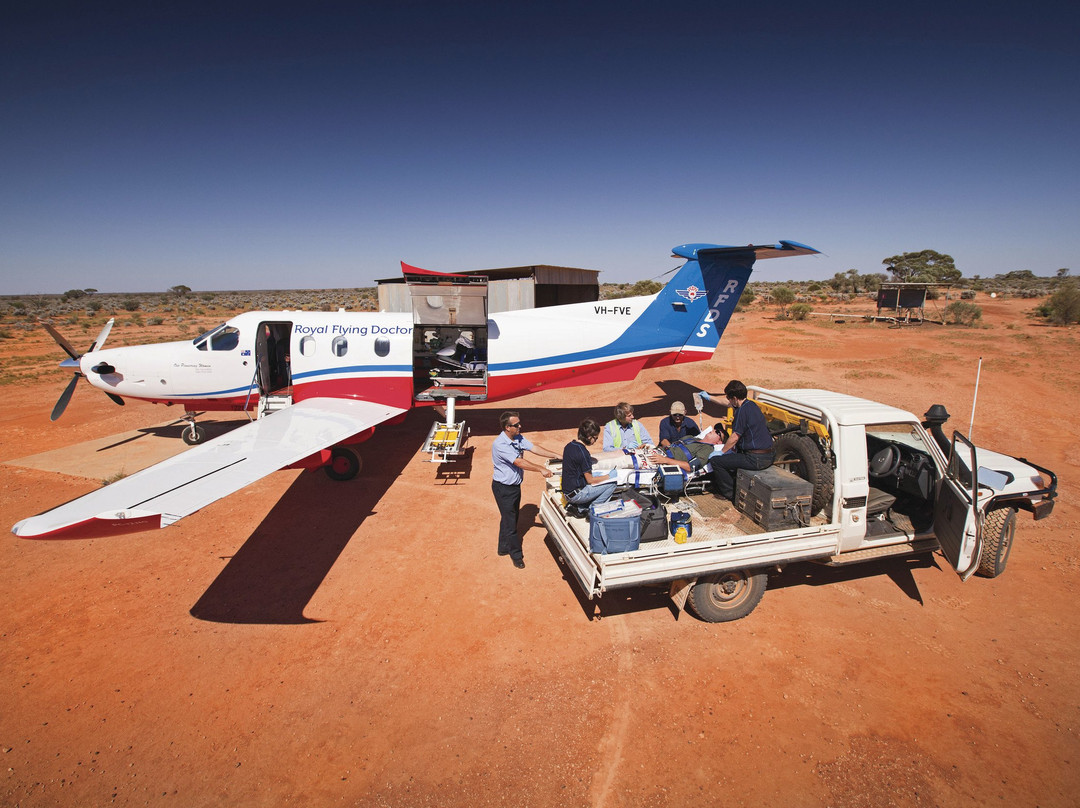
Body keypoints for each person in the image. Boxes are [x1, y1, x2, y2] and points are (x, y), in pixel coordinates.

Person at [491, 411, 559, 569]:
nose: (520, 426)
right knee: (511, 522)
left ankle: (503, 547)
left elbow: (534, 448)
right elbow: (519, 462)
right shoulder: (500, 445)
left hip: (514, 487)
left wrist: (556, 455)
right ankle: (516, 555)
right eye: (516, 425)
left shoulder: (517, 437)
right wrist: (541, 469)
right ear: (507, 427)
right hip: (503, 489)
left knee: (510, 517)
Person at [709, 380, 774, 502]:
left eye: (729, 398)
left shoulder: (742, 411)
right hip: (769, 456)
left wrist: (722, 451)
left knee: (716, 462)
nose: (729, 401)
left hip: (755, 459)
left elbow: (735, 436)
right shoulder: (752, 405)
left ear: (734, 398)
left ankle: (730, 494)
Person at [561, 419, 618, 511]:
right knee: (612, 485)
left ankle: (581, 507)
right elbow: (590, 480)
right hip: (577, 495)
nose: (595, 441)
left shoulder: (569, 446)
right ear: (588, 436)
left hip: (567, 492)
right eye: (595, 438)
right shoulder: (583, 453)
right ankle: (592, 509)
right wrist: (608, 476)